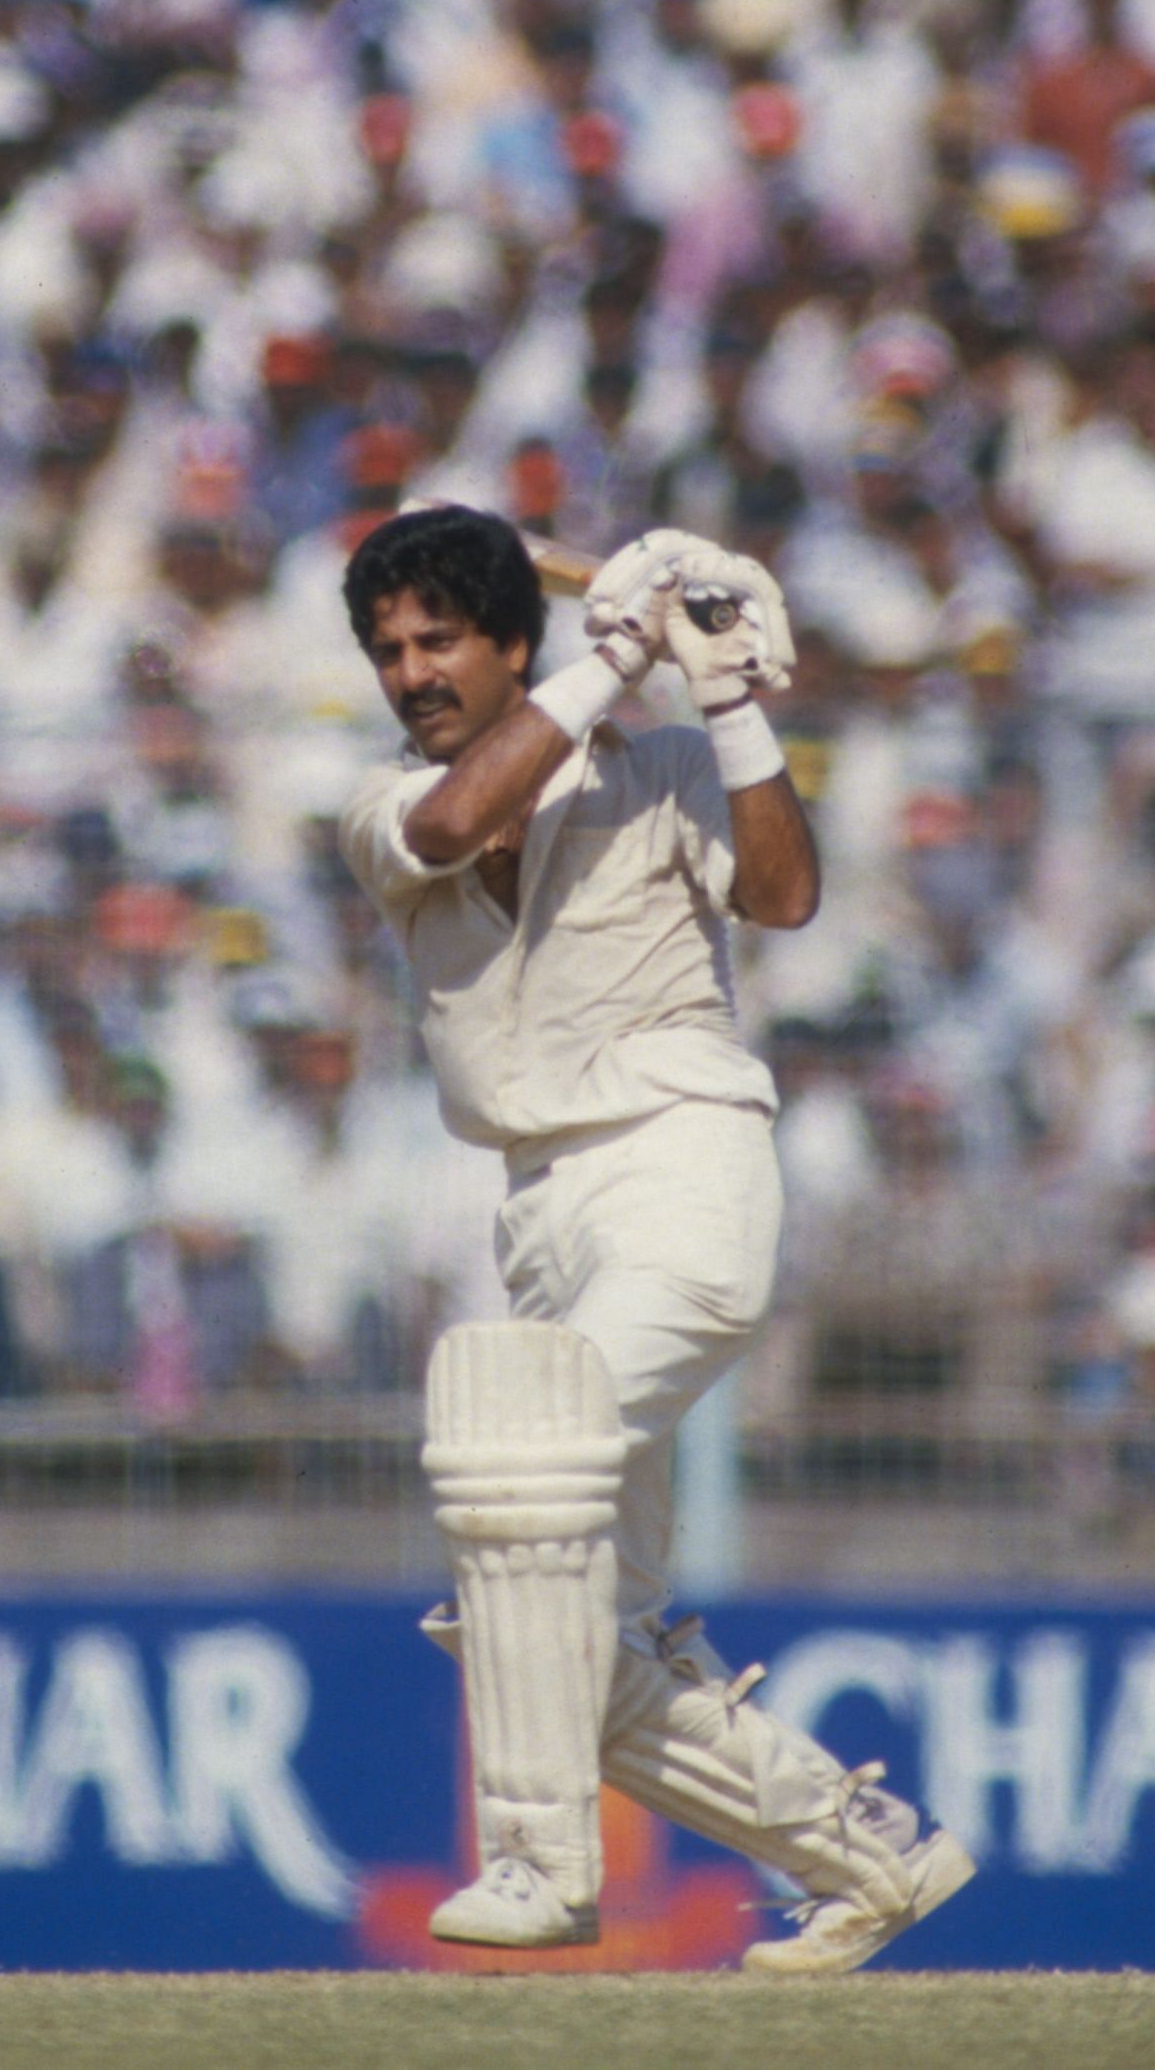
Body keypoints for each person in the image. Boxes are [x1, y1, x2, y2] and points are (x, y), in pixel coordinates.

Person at [335, 502, 975, 1969]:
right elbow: (456, 822)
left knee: (520, 1475)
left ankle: (542, 1865)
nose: (415, 671)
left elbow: (787, 896)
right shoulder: (381, 808)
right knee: (534, 1608)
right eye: (391, 650)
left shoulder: (671, 763)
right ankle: (868, 1854)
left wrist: (727, 699)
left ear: (514, 642)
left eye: (443, 640)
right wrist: (621, 653)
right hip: (542, 1212)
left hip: (686, 1168)